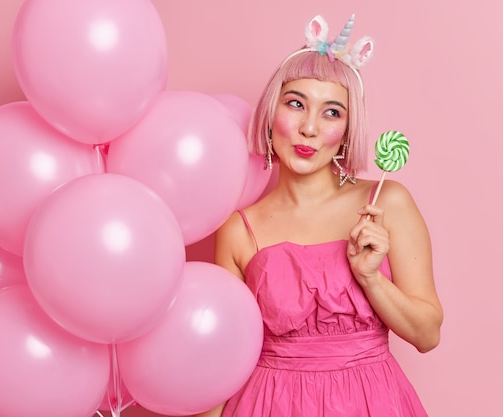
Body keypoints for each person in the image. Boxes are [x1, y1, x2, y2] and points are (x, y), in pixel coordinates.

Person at [203, 14, 443, 417]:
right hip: (268, 405)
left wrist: (370, 279)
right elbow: (224, 358)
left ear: (349, 131)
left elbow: (427, 334)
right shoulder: (238, 229)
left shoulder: (389, 203)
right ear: (271, 111)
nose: (309, 128)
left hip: (372, 403)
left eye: (332, 112)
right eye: (295, 104)